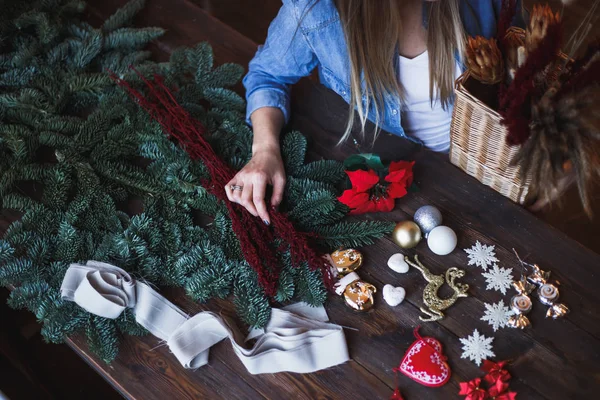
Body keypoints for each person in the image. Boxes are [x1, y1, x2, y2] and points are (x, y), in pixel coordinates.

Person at [225, 0, 524, 224]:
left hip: (483, 169)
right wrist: (264, 149)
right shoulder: (317, 9)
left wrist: (536, 162)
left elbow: (528, 72)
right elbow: (268, 75)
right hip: (384, 179)